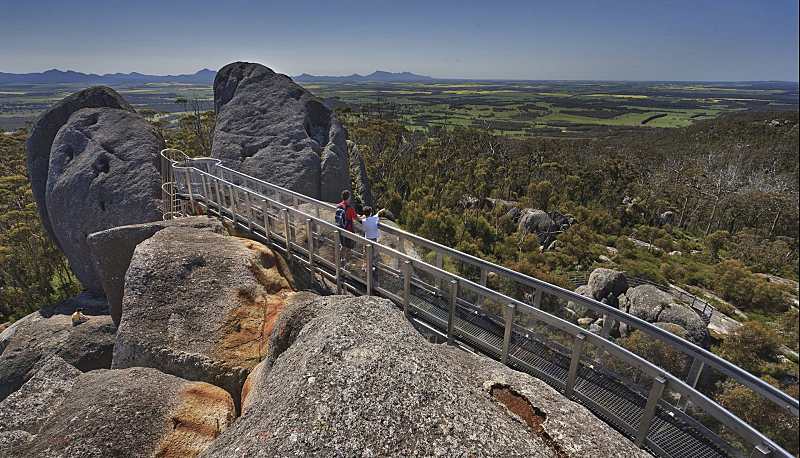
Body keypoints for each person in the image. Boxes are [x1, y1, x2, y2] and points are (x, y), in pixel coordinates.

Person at [335, 190, 358, 265]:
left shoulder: (339, 205)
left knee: (343, 245)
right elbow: (356, 218)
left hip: (340, 228)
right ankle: (346, 263)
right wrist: (364, 217)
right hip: (348, 230)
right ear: (348, 197)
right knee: (348, 247)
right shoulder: (350, 208)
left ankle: (341, 260)